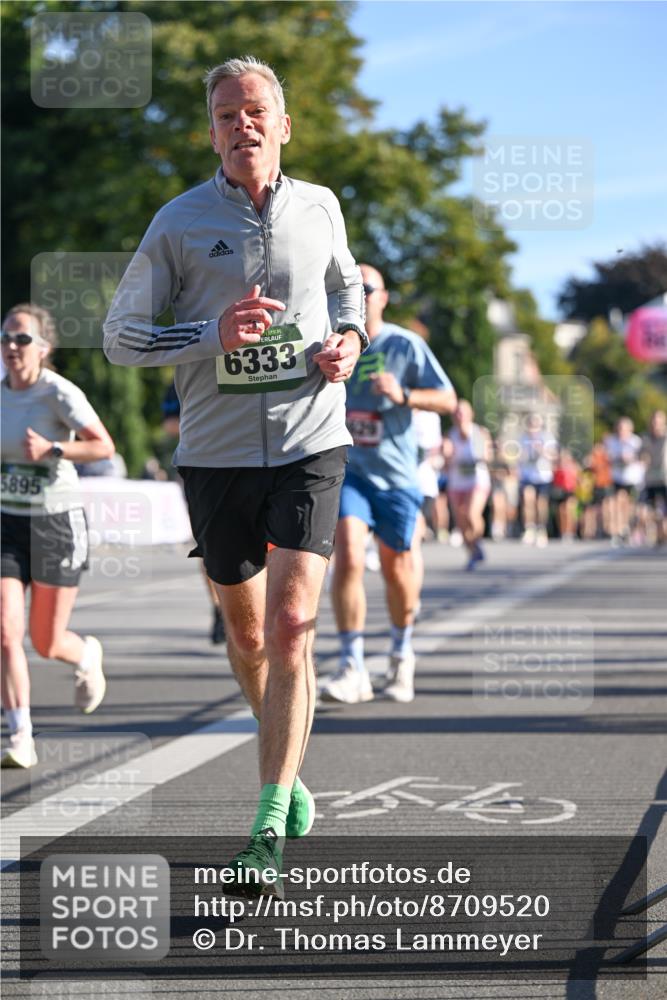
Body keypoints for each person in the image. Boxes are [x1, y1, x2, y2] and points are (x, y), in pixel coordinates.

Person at [103, 56, 366, 896]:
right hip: (214, 453)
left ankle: (267, 815)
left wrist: (347, 346)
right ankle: (286, 759)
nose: (241, 125)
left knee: (292, 627)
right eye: (225, 115)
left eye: (255, 111)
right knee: (248, 638)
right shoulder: (177, 223)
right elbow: (119, 337)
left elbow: (348, 290)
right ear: (210, 131)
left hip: (309, 439)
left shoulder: (320, 206)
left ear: (283, 124)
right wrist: (211, 334)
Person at [323, 264, 456, 705]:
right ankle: (352, 665)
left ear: (384, 297)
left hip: (397, 475)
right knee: (347, 555)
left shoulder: (404, 344)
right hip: (349, 471)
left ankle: (401, 652)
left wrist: (404, 395)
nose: (357, 295)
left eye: (366, 288)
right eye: (349, 288)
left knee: (397, 568)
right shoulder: (328, 341)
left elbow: (448, 399)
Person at [1, 304, 114, 768]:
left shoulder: (59, 393)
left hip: (55, 524)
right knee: (7, 633)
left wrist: (53, 448)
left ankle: (86, 653)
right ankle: (19, 735)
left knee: (47, 643)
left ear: (43, 349)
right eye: (6, 338)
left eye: (22, 339)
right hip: (7, 522)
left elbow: (103, 446)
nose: (11, 346)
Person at [443, 400, 492, 570]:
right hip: (457, 482)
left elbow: (486, 457)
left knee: (471, 514)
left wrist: (480, 448)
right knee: (462, 522)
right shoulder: (450, 435)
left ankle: (477, 541)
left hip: (477, 480)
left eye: (463, 412)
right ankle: (472, 552)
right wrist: (446, 455)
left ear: (471, 414)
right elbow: (446, 463)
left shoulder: (478, 432)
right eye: (456, 412)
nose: (459, 415)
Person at [518, 413, 557, 547]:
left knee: (541, 504)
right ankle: (529, 528)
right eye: (531, 424)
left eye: (536, 425)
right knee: (528, 500)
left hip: (543, 476)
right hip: (527, 475)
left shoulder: (547, 437)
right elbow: (518, 457)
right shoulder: (522, 438)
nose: (533, 428)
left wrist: (541, 450)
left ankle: (541, 529)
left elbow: (553, 455)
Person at [605, 417, 644, 546]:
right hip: (617, 477)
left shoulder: (635, 441)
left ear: (630, 429)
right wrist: (617, 457)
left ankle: (628, 527)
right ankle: (619, 530)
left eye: (624, 428)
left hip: (632, 478)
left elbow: (642, 458)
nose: (621, 431)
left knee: (630, 505)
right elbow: (607, 457)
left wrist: (631, 458)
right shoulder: (611, 441)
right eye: (619, 428)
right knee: (617, 503)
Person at [640, 409, 667, 546]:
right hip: (650, 479)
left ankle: (662, 534)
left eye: (659, 421)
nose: (656, 424)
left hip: (665, 479)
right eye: (654, 421)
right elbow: (642, 455)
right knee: (648, 510)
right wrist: (644, 459)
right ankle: (656, 534)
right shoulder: (646, 438)